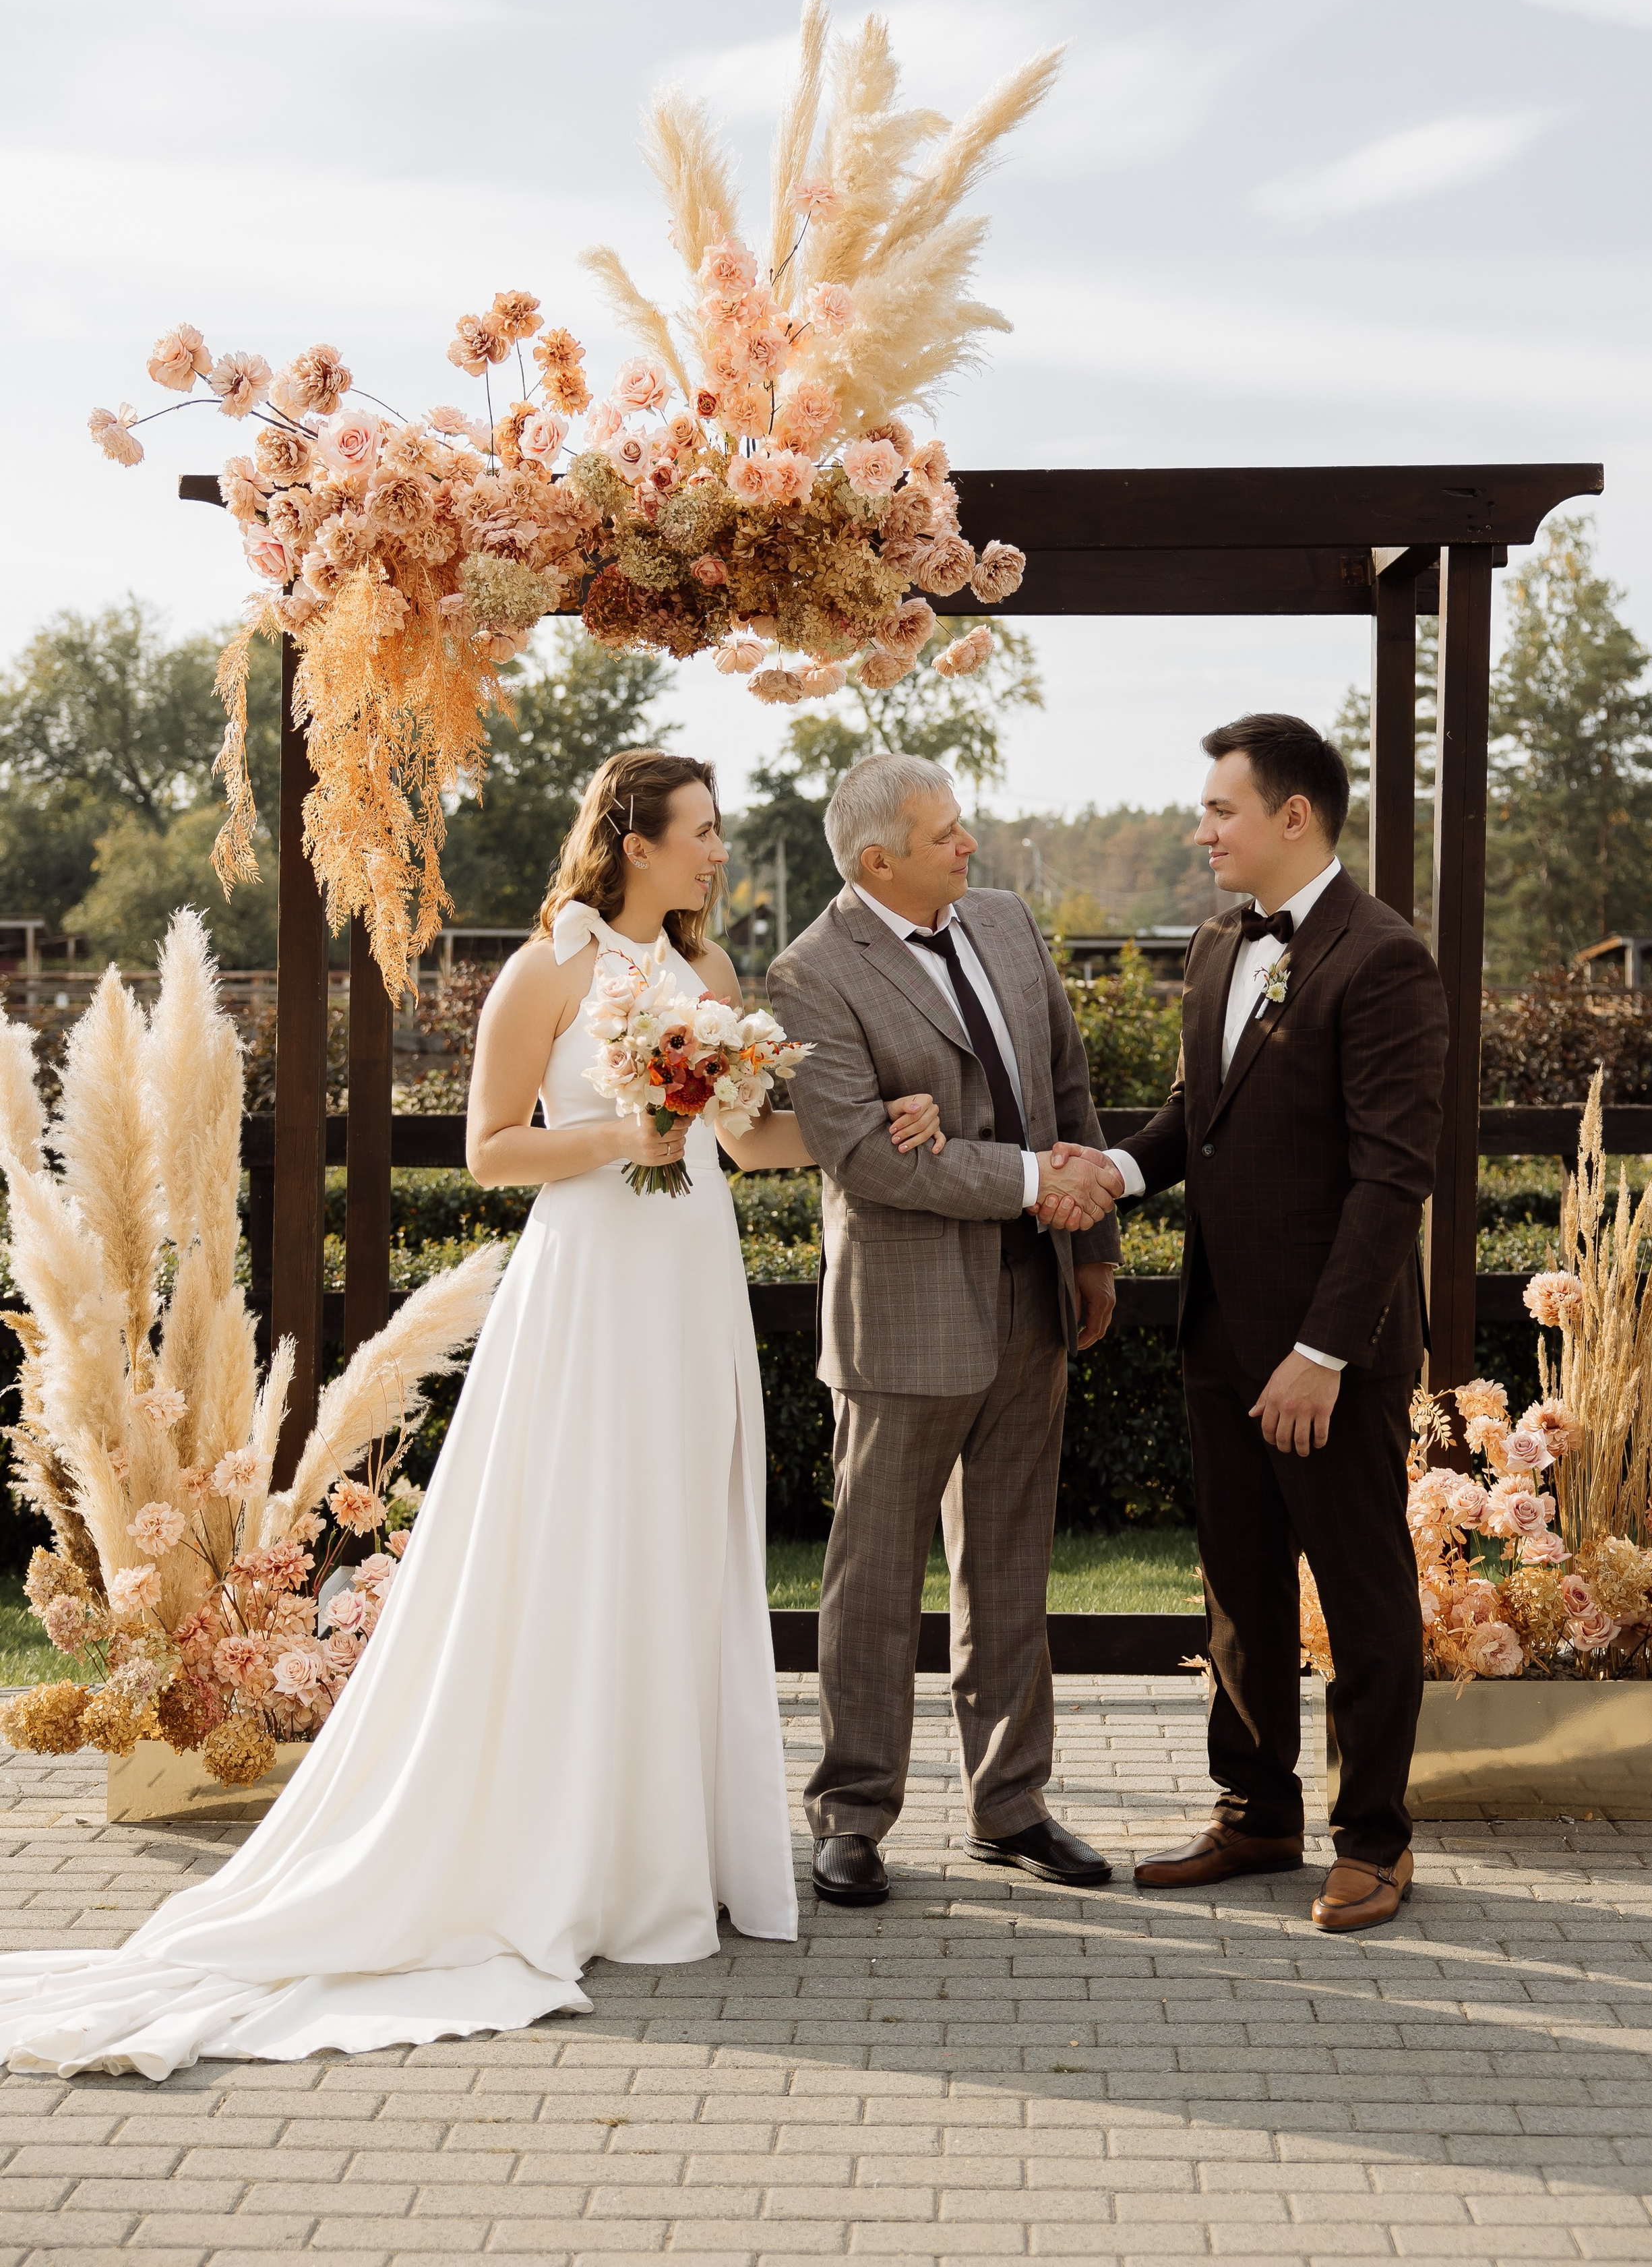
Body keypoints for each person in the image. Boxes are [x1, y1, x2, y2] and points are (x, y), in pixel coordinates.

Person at [0, 750, 948, 2076]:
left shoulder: (712, 980)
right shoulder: (547, 970)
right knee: (578, 1543)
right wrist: (625, 1129)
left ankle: (667, 1849)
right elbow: (489, 1150)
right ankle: (565, 1851)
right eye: (703, 833)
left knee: (678, 1542)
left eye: (718, 835)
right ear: (631, 840)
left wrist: (867, 1130)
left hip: (690, 1282)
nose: (718, 853)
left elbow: (744, 1142)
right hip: (590, 1285)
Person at [1051, 715, 1446, 1933]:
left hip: (1328, 1355)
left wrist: (1322, 1354)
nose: (1201, 828)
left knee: (1365, 1594)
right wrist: (1112, 1170)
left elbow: (1392, 1179)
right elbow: (1196, 1116)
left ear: (1295, 817)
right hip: (1220, 1335)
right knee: (1240, 1590)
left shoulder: (1385, 961)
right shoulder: (1222, 942)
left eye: (1221, 809)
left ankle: (1375, 1838)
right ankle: (1259, 1813)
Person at [768, 753, 1125, 1908]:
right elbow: (868, 1158)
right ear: (880, 861)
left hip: (1037, 1294)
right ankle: (853, 1813)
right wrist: (1031, 1181)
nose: (968, 846)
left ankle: (1011, 1808)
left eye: (964, 829)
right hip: (905, 1316)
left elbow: (1067, 1084)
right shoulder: (811, 975)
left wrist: (1092, 1244)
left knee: (1012, 1565)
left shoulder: (1009, 923)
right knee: (875, 1578)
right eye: (946, 836)